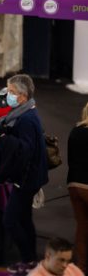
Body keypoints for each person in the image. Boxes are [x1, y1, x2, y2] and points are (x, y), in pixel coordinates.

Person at [0, 75, 49, 274]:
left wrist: (4, 139)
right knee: (25, 218)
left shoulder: (25, 119)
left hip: (26, 179)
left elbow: (24, 151)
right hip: (31, 177)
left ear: (22, 97)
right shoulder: (26, 113)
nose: (7, 95)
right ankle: (31, 259)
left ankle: (27, 259)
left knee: (10, 220)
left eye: (11, 92)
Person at [68, 103, 88, 273]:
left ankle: (80, 267)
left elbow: (71, 159)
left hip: (74, 185)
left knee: (82, 227)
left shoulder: (76, 131)